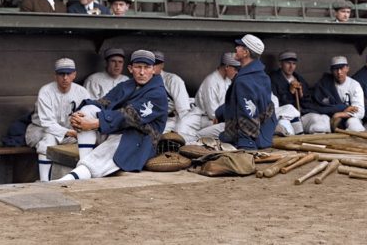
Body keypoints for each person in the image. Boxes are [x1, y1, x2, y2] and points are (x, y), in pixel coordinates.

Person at [56, 50, 168, 181]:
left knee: (111, 149)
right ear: (130, 69)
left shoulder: (158, 93)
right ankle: (83, 163)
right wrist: (78, 114)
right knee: (88, 110)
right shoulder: (126, 85)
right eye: (138, 67)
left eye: (147, 67)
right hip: (115, 129)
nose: (142, 72)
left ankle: (69, 179)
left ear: (154, 69)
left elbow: (130, 116)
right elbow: (104, 103)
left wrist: (95, 123)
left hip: (139, 139)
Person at [25, 58, 93, 182]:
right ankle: (44, 182)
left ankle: (80, 181)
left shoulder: (82, 92)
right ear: (55, 75)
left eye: (68, 73)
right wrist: (71, 133)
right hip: (41, 130)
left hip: (71, 133)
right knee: (48, 141)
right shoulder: (45, 91)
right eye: (61, 74)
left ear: (74, 74)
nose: (65, 78)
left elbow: (87, 117)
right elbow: (47, 124)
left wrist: (76, 131)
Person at [218, 34, 277, 149]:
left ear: (246, 53)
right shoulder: (263, 75)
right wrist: (219, 113)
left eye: (239, 46)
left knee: (200, 135)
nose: (236, 48)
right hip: (266, 132)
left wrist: (246, 145)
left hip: (250, 140)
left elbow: (248, 116)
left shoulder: (243, 80)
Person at [176, 52, 240, 143]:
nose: (237, 72)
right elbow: (213, 113)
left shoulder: (228, 81)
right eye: (235, 69)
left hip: (216, 119)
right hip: (200, 118)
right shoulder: (211, 81)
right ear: (227, 67)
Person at [301, 56, 366, 133]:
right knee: (321, 124)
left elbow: (360, 111)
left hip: (349, 118)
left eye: (342, 68)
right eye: (335, 69)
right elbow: (319, 107)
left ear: (347, 68)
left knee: (354, 125)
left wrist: (339, 114)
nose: (339, 72)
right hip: (330, 119)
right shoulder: (324, 83)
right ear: (331, 70)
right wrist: (343, 108)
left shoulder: (354, 85)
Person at [269, 51, 309, 136]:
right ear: (280, 64)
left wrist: (301, 94)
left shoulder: (299, 78)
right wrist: (290, 92)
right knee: (289, 131)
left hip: (301, 115)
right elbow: (275, 103)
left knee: (319, 123)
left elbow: (308, 101)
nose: (291, 67)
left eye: (294, 64)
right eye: (288, 63)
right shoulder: (273, 79)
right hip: (282, 116)